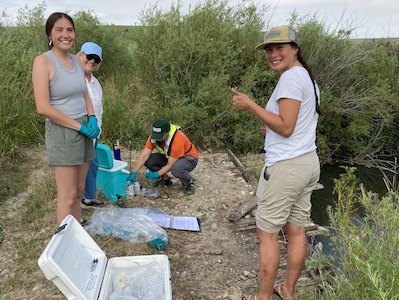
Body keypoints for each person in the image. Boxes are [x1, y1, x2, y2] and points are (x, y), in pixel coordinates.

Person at [232, 25, 321, 300]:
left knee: (267, 233)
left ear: (295, 49)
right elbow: (296, 124)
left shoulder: (291, 79)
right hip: (307, 162)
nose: (273, 54)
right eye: (269, 49)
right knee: (296, 230)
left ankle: (263, 297)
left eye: (280, 48)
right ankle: (287, 290)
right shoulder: (306, 77)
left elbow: (286, 127)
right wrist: (270, 127)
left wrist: (251, 105)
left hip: (286, 168)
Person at [32, 12, 100, 225]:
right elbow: (43, 107)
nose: (66, 34)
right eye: (59, 30)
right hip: (63, 131)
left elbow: (84, 92)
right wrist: (77, 126)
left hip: (83, 127)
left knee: (78, 193)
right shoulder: (43, 62)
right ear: (50, 35)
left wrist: (91, 118)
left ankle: (77, 237)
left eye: (69, 30)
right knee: (67, 195)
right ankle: (63, 244)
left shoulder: (75, 60)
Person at [127, 118, 198, 195]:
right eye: (156, 135)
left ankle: (188, 182)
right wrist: (134, 172)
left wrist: (157, 174)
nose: (157, 138)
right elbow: (144, 155)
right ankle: (166, 179)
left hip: (188, 158)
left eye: (160, 136)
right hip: (170, 156)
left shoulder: (178, 139)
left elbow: (170, 165)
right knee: (149, 161)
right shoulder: (154, 136)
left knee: (176, 169)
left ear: (167, 132)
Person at [77, 42, 105, 207]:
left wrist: (97, 129)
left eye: (96, 59)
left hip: (94, 133)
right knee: (77, 169)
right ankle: (74, 202)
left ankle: (89, 197)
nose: (92, 61)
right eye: (89, 57)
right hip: (78, 131)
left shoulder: (96, 83)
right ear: (81, 55)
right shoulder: (74, 79)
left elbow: (99, 109)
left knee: (92, 165)